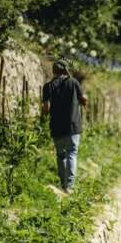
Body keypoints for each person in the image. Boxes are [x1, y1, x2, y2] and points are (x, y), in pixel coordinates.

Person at [42, 60, 87, 194]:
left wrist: (44, 115)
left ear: (54, 71)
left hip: (56, 126)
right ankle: (69, 186)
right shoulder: (73, 82)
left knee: (61, 155)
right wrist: (84, 101)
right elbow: (83, 98)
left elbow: (45, 108)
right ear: (65, 70)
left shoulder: (48, 86)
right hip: (73, 125)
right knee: (72, 154)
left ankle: (63, 184)